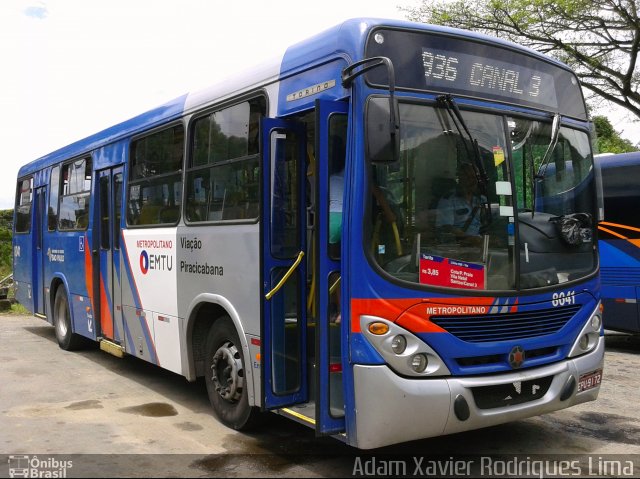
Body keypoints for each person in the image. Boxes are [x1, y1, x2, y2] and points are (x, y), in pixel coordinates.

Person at [435, 162, 486, 247]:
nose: (473, 181)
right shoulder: (448, 200)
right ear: (460, 179)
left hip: (480, 243)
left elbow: (489, 223)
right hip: (459, 245)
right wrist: (469, 238)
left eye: (475, 178)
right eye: (469, 178)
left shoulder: (482, 200)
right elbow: (446, 228)